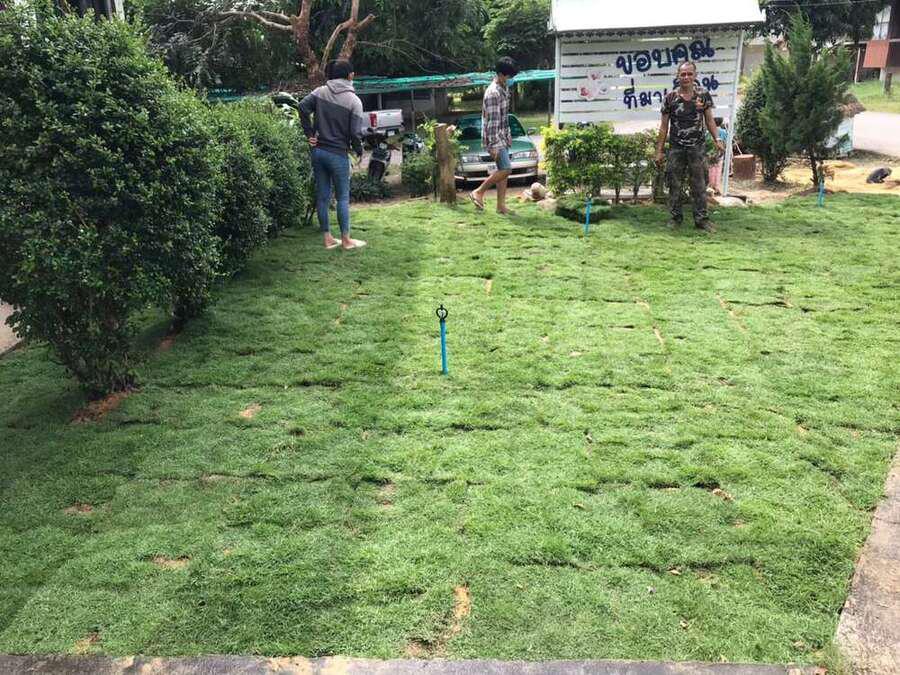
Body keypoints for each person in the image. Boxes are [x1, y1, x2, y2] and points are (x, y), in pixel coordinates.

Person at [299, 59, 367, 250]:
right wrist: (359, 150)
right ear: (350, 76)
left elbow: (302, 107)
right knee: (343, 197)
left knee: (322, 196)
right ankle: (346, 240)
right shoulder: (354, 101)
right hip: (337, 154)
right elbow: (355, 133)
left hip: (318, 152)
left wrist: (309, 134)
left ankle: (328, 239)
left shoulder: (320, 92)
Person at [656, 61, 725, 232]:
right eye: (683, 74)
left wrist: (717, 138)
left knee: (699, 185)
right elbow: (664, 127)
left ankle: (701, 220)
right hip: (676, 148)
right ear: (677, 76)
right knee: (674, 184)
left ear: (695, 75)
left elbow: (709, 120)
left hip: (697, 148)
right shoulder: (670, 98)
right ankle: (675, 218)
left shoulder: (703, 95)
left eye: (689, 74)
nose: (686, 77)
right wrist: (659, 151)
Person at [469, 57, 518, 215]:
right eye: (509, 76)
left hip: (503, 136)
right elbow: (492, 122)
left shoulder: (504, 88)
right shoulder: (493, 93)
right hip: (495, 138)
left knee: (502, 171)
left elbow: (503, 117)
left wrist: (508, 135)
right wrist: (493, 146)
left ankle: (500, 206)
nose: (511, 79)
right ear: (500, 74)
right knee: (506, 169)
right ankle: (478, 192)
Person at [707, 117, 728, 194]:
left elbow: (706, 141)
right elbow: (726, 142)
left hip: (711, 152)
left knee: (711, 169)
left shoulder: (708, 131)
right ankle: (716, 187)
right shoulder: (724, 132)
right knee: (718, 169)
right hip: (720, 152)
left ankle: (711, 186)